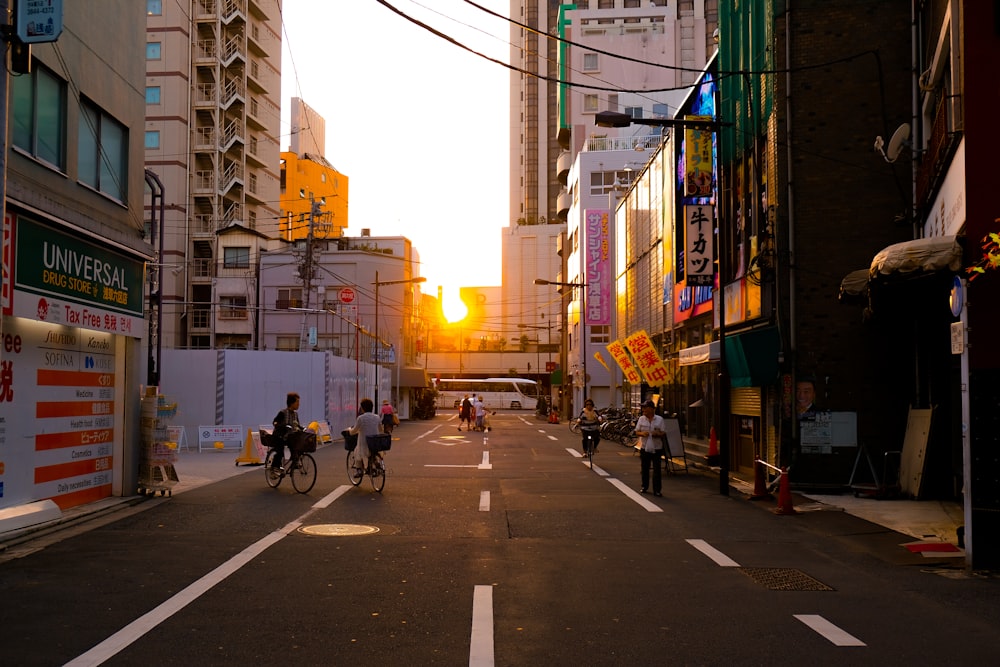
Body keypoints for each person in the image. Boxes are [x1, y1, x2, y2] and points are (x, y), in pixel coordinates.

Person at [634, 399, 666, 496]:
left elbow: (663, 432)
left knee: (657, 469)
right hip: (644, 447)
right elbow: (636, 432)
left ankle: (657, 490)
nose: (644, 410)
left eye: (645, 407)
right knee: (645, 468)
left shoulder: (659, 419)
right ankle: (644, 486)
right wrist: (642, 433)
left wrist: (657, 433)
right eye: (643, 408)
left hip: (657, 448)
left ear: (652, 409)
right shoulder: (641, 419)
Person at [349, 397, 383, 475]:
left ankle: (359, 470)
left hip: (364, 444)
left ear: (363, 408)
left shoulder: (360, 418)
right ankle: (376, 464)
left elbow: (354, 430)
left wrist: (350, 431)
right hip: (375, 443)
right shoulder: (377, 417)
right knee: (373, 452)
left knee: (356, 451)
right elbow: (381, 429)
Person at [270, 392, 302, 473]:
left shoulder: (295, 414)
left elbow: (297, 425)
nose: (299, 404)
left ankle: (295, 462)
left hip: (289, 437)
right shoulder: (283, 413)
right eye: (297, 402)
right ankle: (274, 467)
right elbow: (274, 422)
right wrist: (282, 426)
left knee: (297, 447)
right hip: (279, 436)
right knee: (280, 451)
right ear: (291, 403)